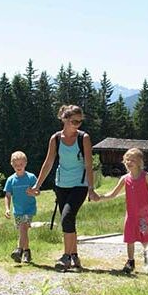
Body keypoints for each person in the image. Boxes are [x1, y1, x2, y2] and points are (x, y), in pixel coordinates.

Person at [28, 105, 98, 271]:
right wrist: (37, 185)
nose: (78, 125)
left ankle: (65, 256)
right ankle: (74, 255)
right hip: (61, 185)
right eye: (74, 121)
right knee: (69, 220)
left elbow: (89, 164)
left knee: (66, 217)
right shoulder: (56, 139)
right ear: (64, 119)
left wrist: (91, 188)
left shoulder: (84, 138)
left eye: (80, 122)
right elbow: (49, 162)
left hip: (79, 185)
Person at [98, 147, 148, 274]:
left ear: (140, 162)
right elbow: (113, 194)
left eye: (133, 160)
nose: (129, 162)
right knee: (129, 239)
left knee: (145, 238)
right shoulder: (125, 179)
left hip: (144, 215)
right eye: (127, 160)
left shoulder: (145, 176)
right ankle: (130, 262)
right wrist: (100, 197)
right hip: (131, 215)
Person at [4, 151, 37, 264]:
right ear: (12, 165)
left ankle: (18, 250)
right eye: (16, 165)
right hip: (17, 211)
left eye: (21, 164)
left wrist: (32, 192)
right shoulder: (10, 180)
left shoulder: (31, 177)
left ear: (25, 163)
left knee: (23, 228)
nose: (19, 167)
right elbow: (8, 195)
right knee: (23, 232)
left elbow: (38, 192)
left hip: (29, 209)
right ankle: (26, 252)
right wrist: (7, 209)